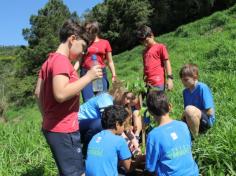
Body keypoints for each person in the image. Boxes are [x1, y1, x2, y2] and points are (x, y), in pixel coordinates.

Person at [34, 19, 103, 176]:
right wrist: (89, 77)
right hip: (64, 130)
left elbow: (37, 93)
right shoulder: (61, 61)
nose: (83, 53)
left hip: (53, 128)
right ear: (72, 39)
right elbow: (60, 94)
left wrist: (47, 117)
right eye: (83, 48)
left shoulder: (49, 61)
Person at [145, 90, 199, 175]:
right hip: (193, 173)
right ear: (170, 106)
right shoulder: (183, 126)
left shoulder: (153, 136)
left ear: (150, 112)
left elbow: (150, 168)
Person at [85, 105, 132, 176]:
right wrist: (140, 159)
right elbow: (128, 168)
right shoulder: (119, 140)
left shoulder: (95, 137)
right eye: (124, 125)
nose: (124, 128)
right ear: (117, 124)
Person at [80, 20, 117, 102]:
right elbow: (80, 60)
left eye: (89, 31)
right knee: (89, 101)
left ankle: (102, 114)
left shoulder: (105, 43)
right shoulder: (84, 44)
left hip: (100, 73)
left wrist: (114, 75)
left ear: (95, 31)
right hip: (86, 73)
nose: (88, 34)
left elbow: (110, 61)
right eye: (86, 31)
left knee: (102, 99)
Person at [180, 63, 215, 137]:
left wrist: (193, 112)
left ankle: (195, 137)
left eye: (186, 80)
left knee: (189, 110)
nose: (183, 82)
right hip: (192, 118)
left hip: (206, 121)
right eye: (182, 80)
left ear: (195, 77)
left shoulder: (202, 88)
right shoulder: (185, 92)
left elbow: (210, 112)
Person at [136, 25, 174, 92]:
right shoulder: (144, 52)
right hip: (147, 84)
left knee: (158, 101)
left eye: (146, 41)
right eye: (142, 43)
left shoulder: (160, 47)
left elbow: (166, 62)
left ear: (152, 35)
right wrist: (144, 80)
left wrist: (170, 78)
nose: (145, 44)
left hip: (158, 82)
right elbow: (145, 67)